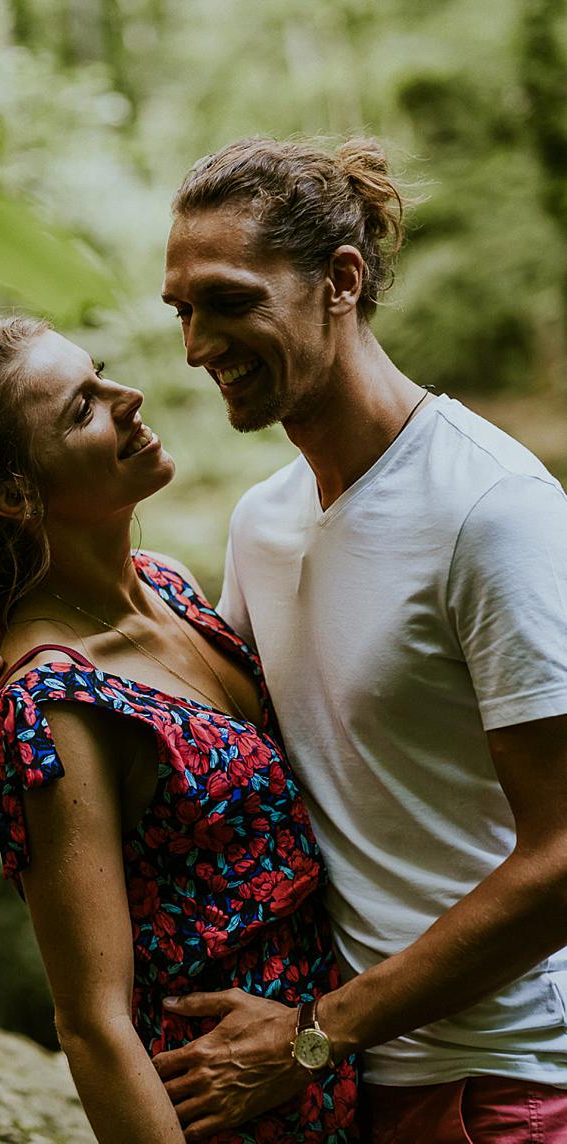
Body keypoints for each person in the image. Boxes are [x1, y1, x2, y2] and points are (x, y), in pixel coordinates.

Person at [150, 136, 567, 1142]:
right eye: (182, 310)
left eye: (229, 300)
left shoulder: (489, 510)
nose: (198, 344)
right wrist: (44, 663)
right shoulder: (263, 517)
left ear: (339, 281)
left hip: (490, 1088)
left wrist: (311, 1034)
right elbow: (224, 744)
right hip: (339, 1087)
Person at [0, 316, 359, 1142]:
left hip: (327, 1064)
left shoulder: (169, 587)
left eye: (100, 375)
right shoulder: (48, 708)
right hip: (232, 1112)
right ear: (13, 494)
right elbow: (92, 1026)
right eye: (82, 409)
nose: (129, 397)